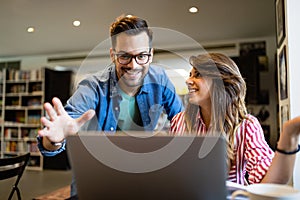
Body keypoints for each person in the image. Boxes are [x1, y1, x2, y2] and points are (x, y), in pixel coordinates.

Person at [37, 15, 183, 197]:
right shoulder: (93, 86)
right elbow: (55, 137)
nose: (133, 65)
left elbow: (181, 121)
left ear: (151, 54)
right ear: (113, 55)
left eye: (142, 56)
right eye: (124, 56)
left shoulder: (160, 79)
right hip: (96, 182)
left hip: (141, 177)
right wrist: (55, 140)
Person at [169, 52, 300, 185]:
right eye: (190, 75)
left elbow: (270, 184)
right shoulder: (178, 121)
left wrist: (289, 135)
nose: (188, 80)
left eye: (198, 75)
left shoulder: (246, 126)